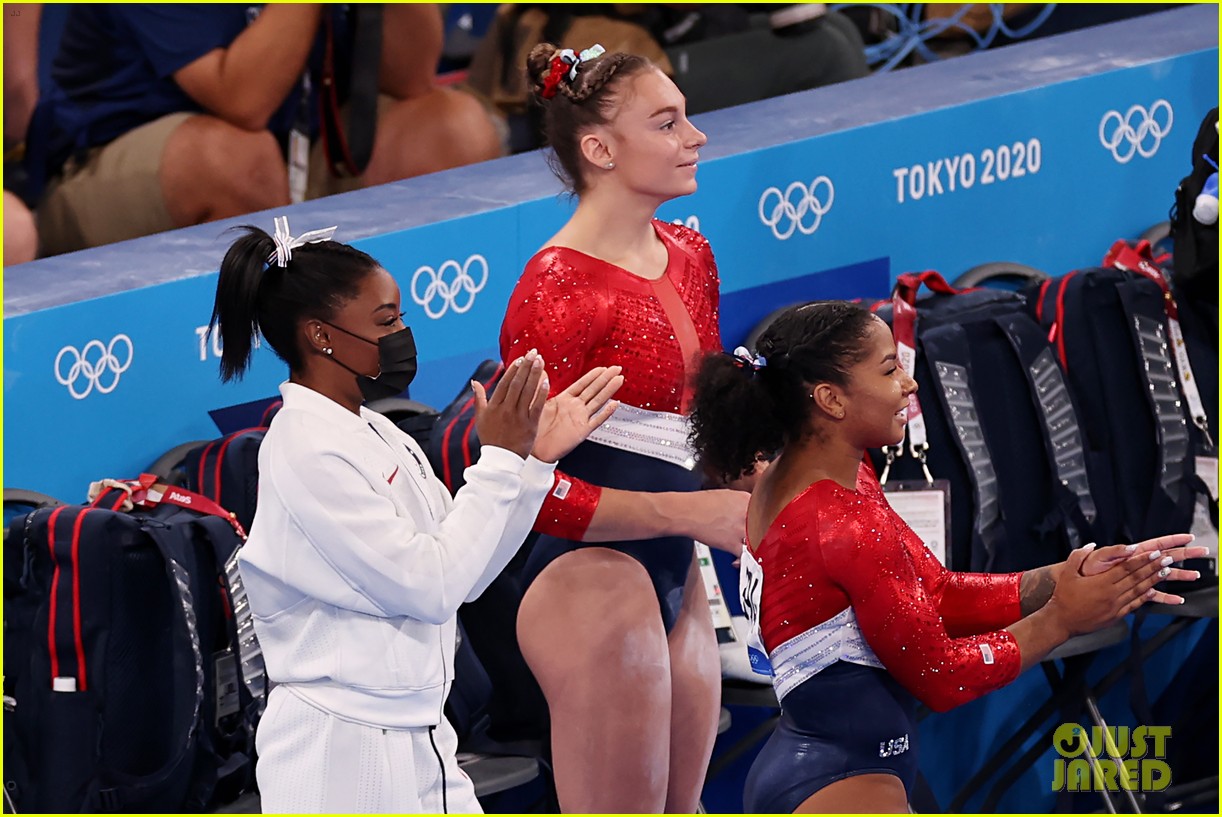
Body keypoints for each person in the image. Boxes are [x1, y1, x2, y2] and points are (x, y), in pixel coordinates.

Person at [688, 301, 1205, 814]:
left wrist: (1055, 580)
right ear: (830, 399)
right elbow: (940, 675)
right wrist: (1061, 619)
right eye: (890, 370)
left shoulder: (832, 478)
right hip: (842, 784)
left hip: (847, 765)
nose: (910, 385)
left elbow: (931, 591)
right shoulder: (838, 521)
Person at [208, 217, 623, 813]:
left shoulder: (378, 431)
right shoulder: (304, 449)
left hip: (422, 737)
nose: (403, 333)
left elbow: (464, 576)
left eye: (400, 316)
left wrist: (530, 464)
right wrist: (500, 459)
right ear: (322, 336)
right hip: (340, 758)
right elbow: (429, 587)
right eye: (385, 321)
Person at [496, 43, 747, 812]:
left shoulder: (690, 253)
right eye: (667, 123)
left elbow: (703, 425)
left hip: (678, 575)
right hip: (588, 583)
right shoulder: (557, 289)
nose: (695, 136)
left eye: (687, 117)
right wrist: (690, 512)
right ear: (599, 149)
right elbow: (522, 491)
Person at [31, 4, 501, 256]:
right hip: (110, 175)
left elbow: (411, 77)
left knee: (452, 128)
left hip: (292, 158)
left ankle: (420, 336)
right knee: (235, 159)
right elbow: (243, 101)